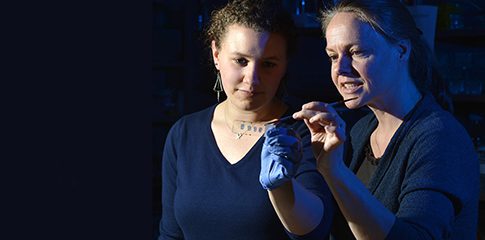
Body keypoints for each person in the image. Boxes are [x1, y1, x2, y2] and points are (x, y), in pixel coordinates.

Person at [291, 0, 479, 239]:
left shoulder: (441, 138)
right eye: (332, 56)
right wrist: (285, 185)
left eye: (356, 52)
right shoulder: (360, 132)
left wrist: (335, 171)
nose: (341, 69)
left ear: (401, 50)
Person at [158, 0, 335, 239]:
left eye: (268, 64)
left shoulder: (303, 133)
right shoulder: (184, 133)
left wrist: (282, 186)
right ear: (216, 55)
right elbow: (170, 234)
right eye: (241, 61)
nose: (252, 79)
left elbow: (314, 231)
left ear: (284, 67)